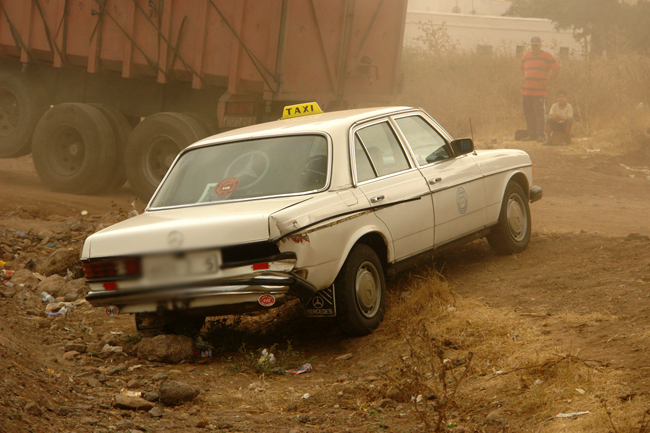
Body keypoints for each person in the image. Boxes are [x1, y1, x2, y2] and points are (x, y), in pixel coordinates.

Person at [519, 36, 561, 142]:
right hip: (526, 90)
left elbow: (557, 68)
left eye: (537, 45)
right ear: (531, 45)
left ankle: (541, 135)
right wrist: (522, 77)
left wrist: (549, 81)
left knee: (539, 113)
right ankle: (531, 135)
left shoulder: (546, 56)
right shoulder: (526, 56)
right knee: (528, 114)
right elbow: (521, 67)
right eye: (533, 45)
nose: (535, 47)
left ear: (540, 45)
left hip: (539, 91)